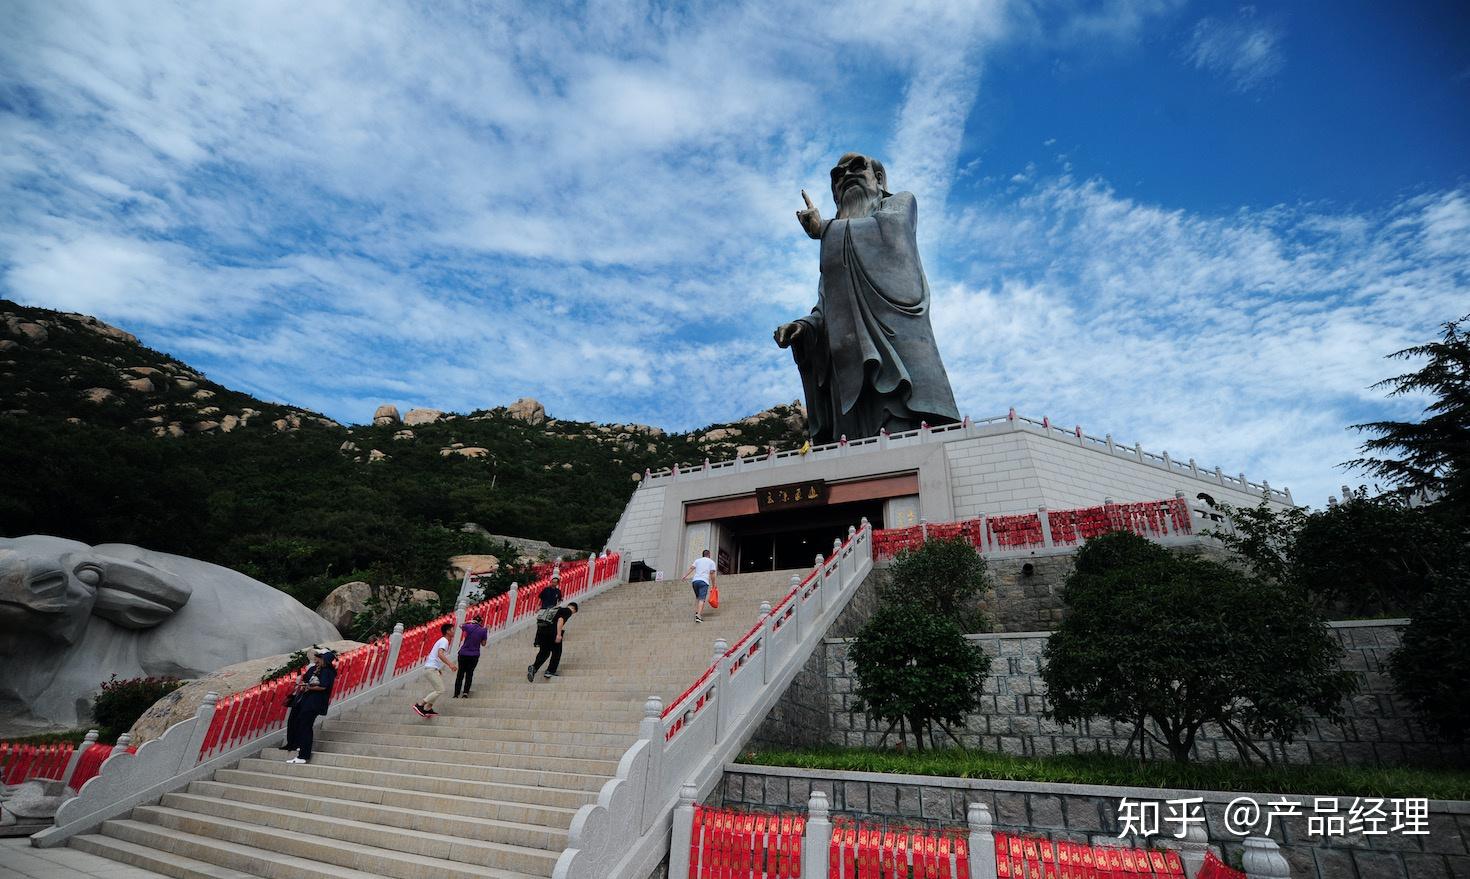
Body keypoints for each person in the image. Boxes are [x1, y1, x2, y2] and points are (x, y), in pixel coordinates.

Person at [773, 153, 961, 443]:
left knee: (904, 440)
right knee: (852, 451)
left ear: (879, 179)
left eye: (857, 167)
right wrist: (805, 327)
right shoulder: (834, 248)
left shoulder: (899, 204)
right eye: (837, 175)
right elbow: (826, 308)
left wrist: (824, 228)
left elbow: (893, 236)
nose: (846, 175)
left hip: (896, 357)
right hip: (847, 373)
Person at [284, 648, 335, 765]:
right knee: (301, 724)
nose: (317, 660)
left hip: (315, 702)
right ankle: (301, 748)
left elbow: (323, 687)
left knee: (305, 726)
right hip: (308, 701)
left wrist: (309, 687)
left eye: (320, 658)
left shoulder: (327, 671)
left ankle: (303, 755)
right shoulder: (318, 669)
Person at [412, 623, 456, 718]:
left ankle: (428, 709)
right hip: (431, 669)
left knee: (438, 689)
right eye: (452, 629)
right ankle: (420, 705)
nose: (454, 631)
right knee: (440, 690)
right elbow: (440, 654)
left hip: (432, 668)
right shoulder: (444, 640)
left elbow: (436, 655)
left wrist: (438, 668)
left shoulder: (442, 640)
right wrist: (450, 664)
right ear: (448, 631)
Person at [527, 601, 578, 681]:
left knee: (544, 652)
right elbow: (560, 620)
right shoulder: (568, 611)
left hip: (543, 632)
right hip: (553, 632)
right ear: (574, 609)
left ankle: (534, 667)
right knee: (557, 652)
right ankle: (550, 671)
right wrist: (558, 634)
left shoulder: (555, 609)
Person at [454, 615, 489, 698]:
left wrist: (468, 621)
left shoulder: (468, 626)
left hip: (463, 654)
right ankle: (465, 693)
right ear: (481, 622)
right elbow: (483, 644)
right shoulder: (483, 630)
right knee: (469, 673)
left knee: (460, 674)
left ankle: (456, 693)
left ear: (473, 621)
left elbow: (460, 625)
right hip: (474, 655)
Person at [682, 549, 718, 623]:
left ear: (703, 555)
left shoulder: (697, 560)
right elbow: (712, 574)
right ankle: (698, 615)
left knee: (698, 597)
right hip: (704, 582)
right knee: (702, 599)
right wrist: (714, 585)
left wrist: (685, 576)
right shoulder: (711, 562)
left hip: (695, 581)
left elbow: (691, 568)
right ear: (709, 555)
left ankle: (696, 611)